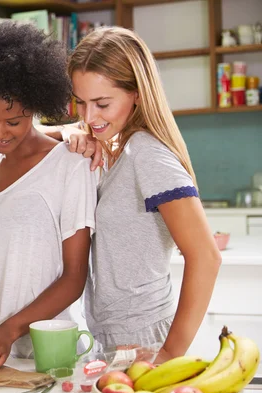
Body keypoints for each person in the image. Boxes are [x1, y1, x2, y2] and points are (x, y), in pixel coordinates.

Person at [53, 26, 221, 362]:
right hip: (112, 337)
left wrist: (168, 354)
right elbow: (22, 144)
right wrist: (70, 130)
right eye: (81, 103)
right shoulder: (120, 148)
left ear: (137, 94)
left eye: (102, 103)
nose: (89, 116)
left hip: (143, 340)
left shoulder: (147, 154)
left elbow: (206, 257)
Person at [0, 21, 98, 373]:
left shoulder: (70, 166)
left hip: (47, 351)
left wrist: (10, 330)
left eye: (12, 122)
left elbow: (75, 278)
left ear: (33, 106)